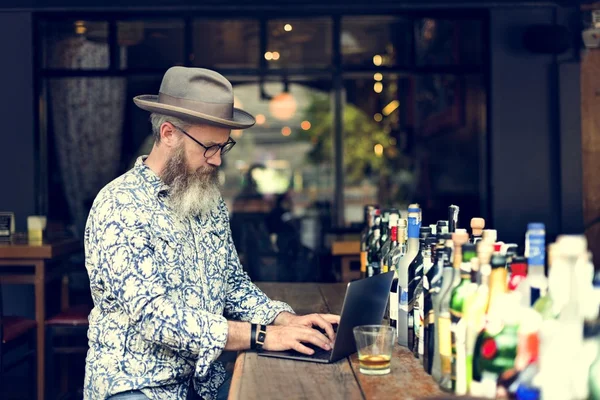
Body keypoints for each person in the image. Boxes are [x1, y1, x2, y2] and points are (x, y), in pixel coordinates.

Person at [83, 66, 340, 400]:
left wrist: (283, 319)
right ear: (168, 134)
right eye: (209, 146)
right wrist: (261, 336)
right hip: (136, 383)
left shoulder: (206, 199)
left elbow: (232, 284)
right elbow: (155, 317)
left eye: (224, 146)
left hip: (201, 381)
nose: (217, 160)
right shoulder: (120, 205)